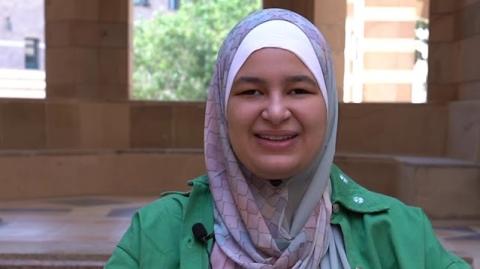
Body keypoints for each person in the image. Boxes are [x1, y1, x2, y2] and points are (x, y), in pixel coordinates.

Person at [105, 8, 470, 269]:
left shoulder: (398, 234)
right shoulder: (156, 234)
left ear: (328, 106)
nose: (276, 112)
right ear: (221, 110)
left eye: (298, 90)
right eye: (251, 92)